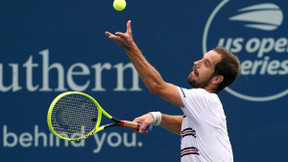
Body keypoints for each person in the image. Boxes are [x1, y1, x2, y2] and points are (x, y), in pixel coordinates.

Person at [105, 20, 241, 162]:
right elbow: (188, 126)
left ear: (216, 79)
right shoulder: (206, 108)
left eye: (206, 63)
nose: (196, 63)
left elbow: (157, 87)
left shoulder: (205, 99)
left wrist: (130, 48)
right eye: (202, 58)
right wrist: (157, 117)